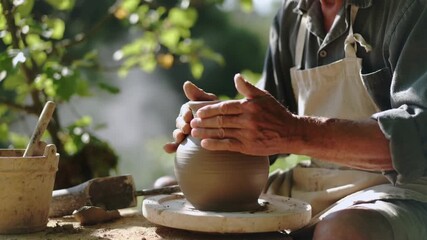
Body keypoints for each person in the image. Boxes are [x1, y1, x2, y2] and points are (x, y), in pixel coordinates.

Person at [164, 0, 427, 239]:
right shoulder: (292, 15)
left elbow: (416, 141)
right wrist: (219, 126)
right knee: (169, 195)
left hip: (402, 190)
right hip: (312, 183)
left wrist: (292, 132)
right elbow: (265, 129)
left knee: (343, 231)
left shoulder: (410, 9)